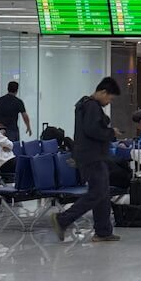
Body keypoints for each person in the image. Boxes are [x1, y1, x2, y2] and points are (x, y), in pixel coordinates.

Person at [50, 77, 121, 243]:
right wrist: (111, 133)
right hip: (92, 156)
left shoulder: (85, 105)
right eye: (110, 99)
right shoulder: (92, 107)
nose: (109, 103)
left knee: (103, 194)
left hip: (91, 155)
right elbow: (92, 130)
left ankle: (103, 231)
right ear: (103, 92)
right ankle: (62, 219)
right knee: (97, 193)